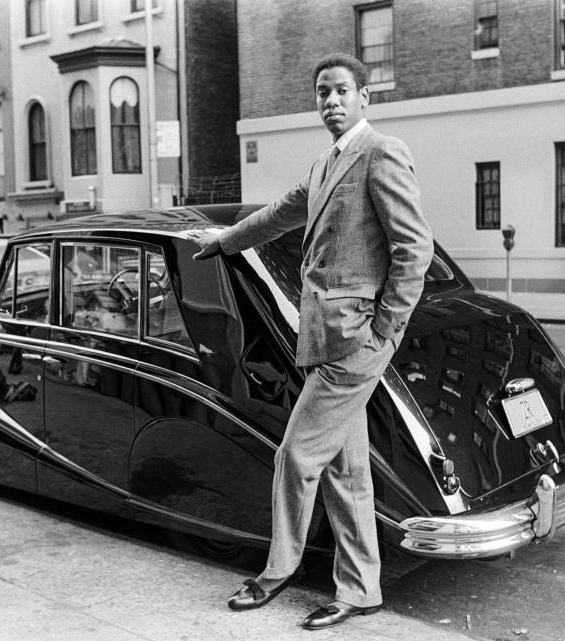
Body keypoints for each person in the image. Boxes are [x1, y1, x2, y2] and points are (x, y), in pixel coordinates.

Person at [187, 53, 433, 630]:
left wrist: (385, 330)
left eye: (342, 91)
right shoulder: (327, 163)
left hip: (355, 341)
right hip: (326, 336)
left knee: (295, 456)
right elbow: (278, 214)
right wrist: (225, 241)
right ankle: (362, 590)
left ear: (365, 97)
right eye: (323, 93)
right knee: (347, 474)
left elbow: (413, 251)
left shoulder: (381, 153)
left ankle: (278, 571)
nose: (331, 102)